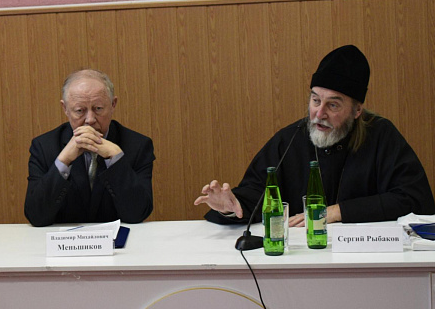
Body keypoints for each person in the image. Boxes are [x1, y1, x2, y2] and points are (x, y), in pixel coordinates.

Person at [194, 44, 435, 226]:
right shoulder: (290, 139)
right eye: (316, 100)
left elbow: (414, 199)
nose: (319, 114)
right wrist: (231, 206)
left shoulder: (381, 136)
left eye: (333, 105)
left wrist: (338, 211)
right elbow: (258, 192)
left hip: (366, 256)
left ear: (357, 111)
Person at [24, 69, 155, 227]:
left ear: (113, 104)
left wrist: (116, 161)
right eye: (80, 111)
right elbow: (36, 216)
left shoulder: (138, 145)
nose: (90, 120)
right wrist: (64, 161)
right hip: (64, 241)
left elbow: (138, 214)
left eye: (98, 108)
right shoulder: (44, 146)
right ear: (65, 108)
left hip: (120, 240)